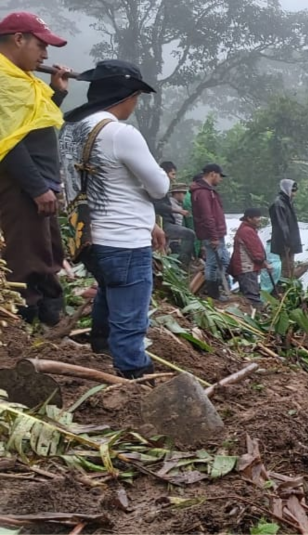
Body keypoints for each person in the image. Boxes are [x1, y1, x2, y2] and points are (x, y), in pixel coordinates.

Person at [59, 59, 169, 379]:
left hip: (86, 236)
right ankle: (132, 369)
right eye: (136, 97)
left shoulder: (72, 130)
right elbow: (160, 187)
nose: (136, 104)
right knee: (131, 314)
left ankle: (101, 342)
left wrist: (148, 222)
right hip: (124, 242)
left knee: (110, 287)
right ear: (127, 96)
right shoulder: (121, 134)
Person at [0, 12, 70, 326]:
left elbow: (33, 123)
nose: (45, 55)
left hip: (39, 185)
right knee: (24, 258)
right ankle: (23, 327)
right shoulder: (3, 82)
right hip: (21, 185)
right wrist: (37, 187)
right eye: (41, 46)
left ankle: (49, 320)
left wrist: (58, 91)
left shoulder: (21, 79)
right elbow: (8, 143)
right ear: (18, 39)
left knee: (47, 252)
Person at [190, 163, 230, 301]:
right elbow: (207, 216)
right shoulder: (202, 192)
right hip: (212, 234)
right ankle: (213, 293)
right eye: (220, 176)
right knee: (213, 263)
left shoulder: (208, 191)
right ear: (213, 174)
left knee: (223, 260)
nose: (221, 179)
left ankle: (217, 288)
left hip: (217, 233)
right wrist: (213, 236)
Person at [230, 208, 271, 310]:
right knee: (252, 297)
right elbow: (256, 252)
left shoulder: (246, 229)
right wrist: (264, 262)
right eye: (257, 217)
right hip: (247, 268)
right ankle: (257, 314)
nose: (259, 219)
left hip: (245, 267)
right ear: (249, 218)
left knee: (249, 295)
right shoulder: (247, 231)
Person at [269, 179, 301, 279]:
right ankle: (286, 289)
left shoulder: (287, 203)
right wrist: (287, 242)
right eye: (293, 191)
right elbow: (282, 225)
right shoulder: (279, 204)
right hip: (285, 243)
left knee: (290, 266)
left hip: (290, 241)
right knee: (286, 268)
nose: (294, 194)